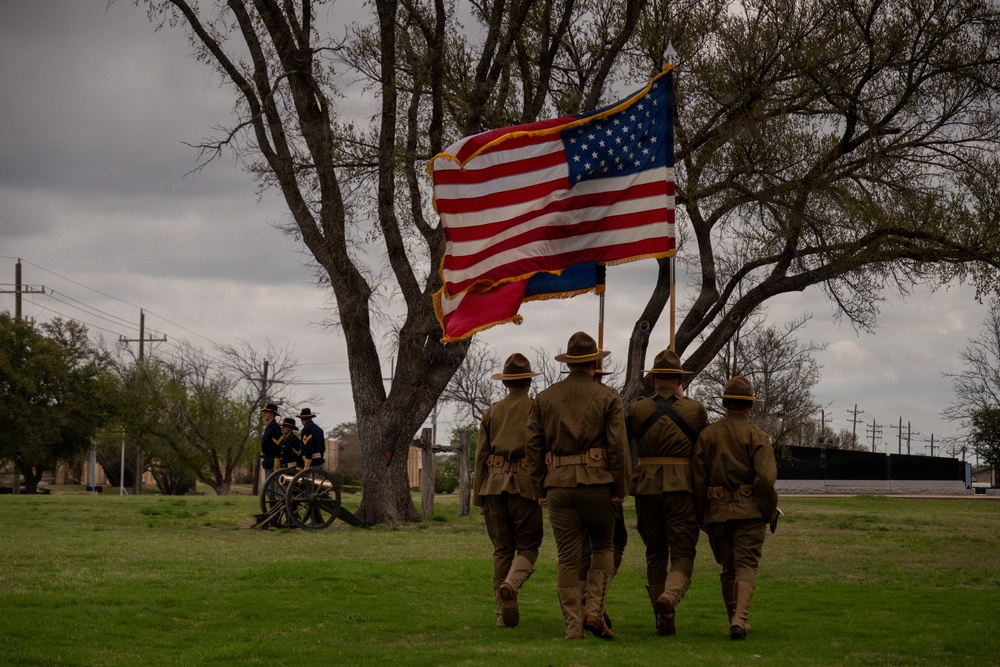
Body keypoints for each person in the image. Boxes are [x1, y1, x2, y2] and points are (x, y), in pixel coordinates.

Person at [526, 332, 630, 640]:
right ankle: (593, 610)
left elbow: (533, 447)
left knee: (568, 556)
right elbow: (618, 446)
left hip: (558, 486)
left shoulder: (544, 398)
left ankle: (573, 627)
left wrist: (539, 490)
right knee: (603, 546)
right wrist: (621, 487)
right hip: (599, 483)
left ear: (569, 363)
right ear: (595, 362)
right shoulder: (608, 396)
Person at [628, 349, 708, 636]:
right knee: (683, 551)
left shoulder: (637, 409)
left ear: (653, 381)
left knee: (655, 552)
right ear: (678, 379)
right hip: (682, 488)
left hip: (647, 487)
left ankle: (663, 620)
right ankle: (670, 598)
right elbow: (703, 453)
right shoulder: (694, 409)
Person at [692, 375, 778, 640]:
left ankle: (734, 619)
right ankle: (739, 621)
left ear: (726, 403)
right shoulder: (758, 436)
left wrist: (701, 515)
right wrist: (769, 510)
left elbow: (698, 480)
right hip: (750, 512)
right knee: (747, 565)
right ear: (749, 405)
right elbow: (765, 479)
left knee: (728, 568)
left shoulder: (707, 435)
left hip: (717, 513)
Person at [473, 353, 543, 629]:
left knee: (502, 549)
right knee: (529, 546)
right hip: (526, 487)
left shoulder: (491, 412)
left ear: (506, 383)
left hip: (493, 487)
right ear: (528, 381)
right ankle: (511, 584)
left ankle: (502, 614)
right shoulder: (537, 410)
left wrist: (479, 497)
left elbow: (481, 457)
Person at [260, 403, 282, 495]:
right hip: (268, 460)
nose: (264, 414)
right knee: (269, 490)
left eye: (266, 412)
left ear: (272, 414)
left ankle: (274, 508)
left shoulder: (275, 428)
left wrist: (276, 459)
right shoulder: (269, 427)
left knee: (272, 490)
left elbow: (279, 446)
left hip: (273, 461)